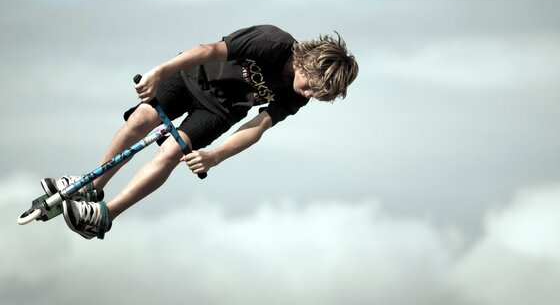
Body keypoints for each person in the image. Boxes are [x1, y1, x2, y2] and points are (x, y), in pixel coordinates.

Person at [41, 25, 359, 239]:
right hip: (190, 76)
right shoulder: (271, 42)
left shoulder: (293, 96)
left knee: (172, 151)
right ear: (307, 65)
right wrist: (159, 72)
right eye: (310, 87)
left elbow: (257, 127)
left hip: (220, 111)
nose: (307, 95)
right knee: (140, 120)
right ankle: (91, 189)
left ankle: (104, 216)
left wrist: (214, 156)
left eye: (316, 95)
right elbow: (208, 50)